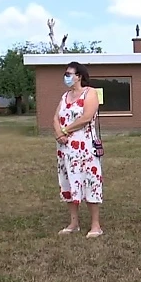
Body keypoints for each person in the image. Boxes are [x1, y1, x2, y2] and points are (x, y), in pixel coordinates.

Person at [54, 62, 104, 238]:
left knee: (90, 182)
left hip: (85, 148)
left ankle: (95, 225)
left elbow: (86, 117)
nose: (66, 76)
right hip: (65, 148)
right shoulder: (65, 96)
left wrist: (66, 130)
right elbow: (56, 116)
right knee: (68, 182)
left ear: (79, 76)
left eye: (69, 73)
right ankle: (73, 223)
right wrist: (59, 133)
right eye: (65, 73)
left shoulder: (90, 93)